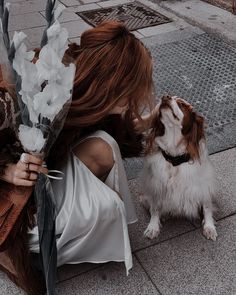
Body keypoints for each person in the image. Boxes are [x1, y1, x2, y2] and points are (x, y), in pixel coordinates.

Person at [0, 21, 157, 293]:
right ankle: (31, 246)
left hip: (44, 175)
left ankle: (89, 225)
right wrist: (7, 170)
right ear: (110, 81)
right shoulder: (38, 84)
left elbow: (121, 133)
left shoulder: (87, 92)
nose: (134, 96)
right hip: (14, 201)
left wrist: (151, 120)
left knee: (105, 147)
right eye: (130, 87)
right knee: (104, 203)